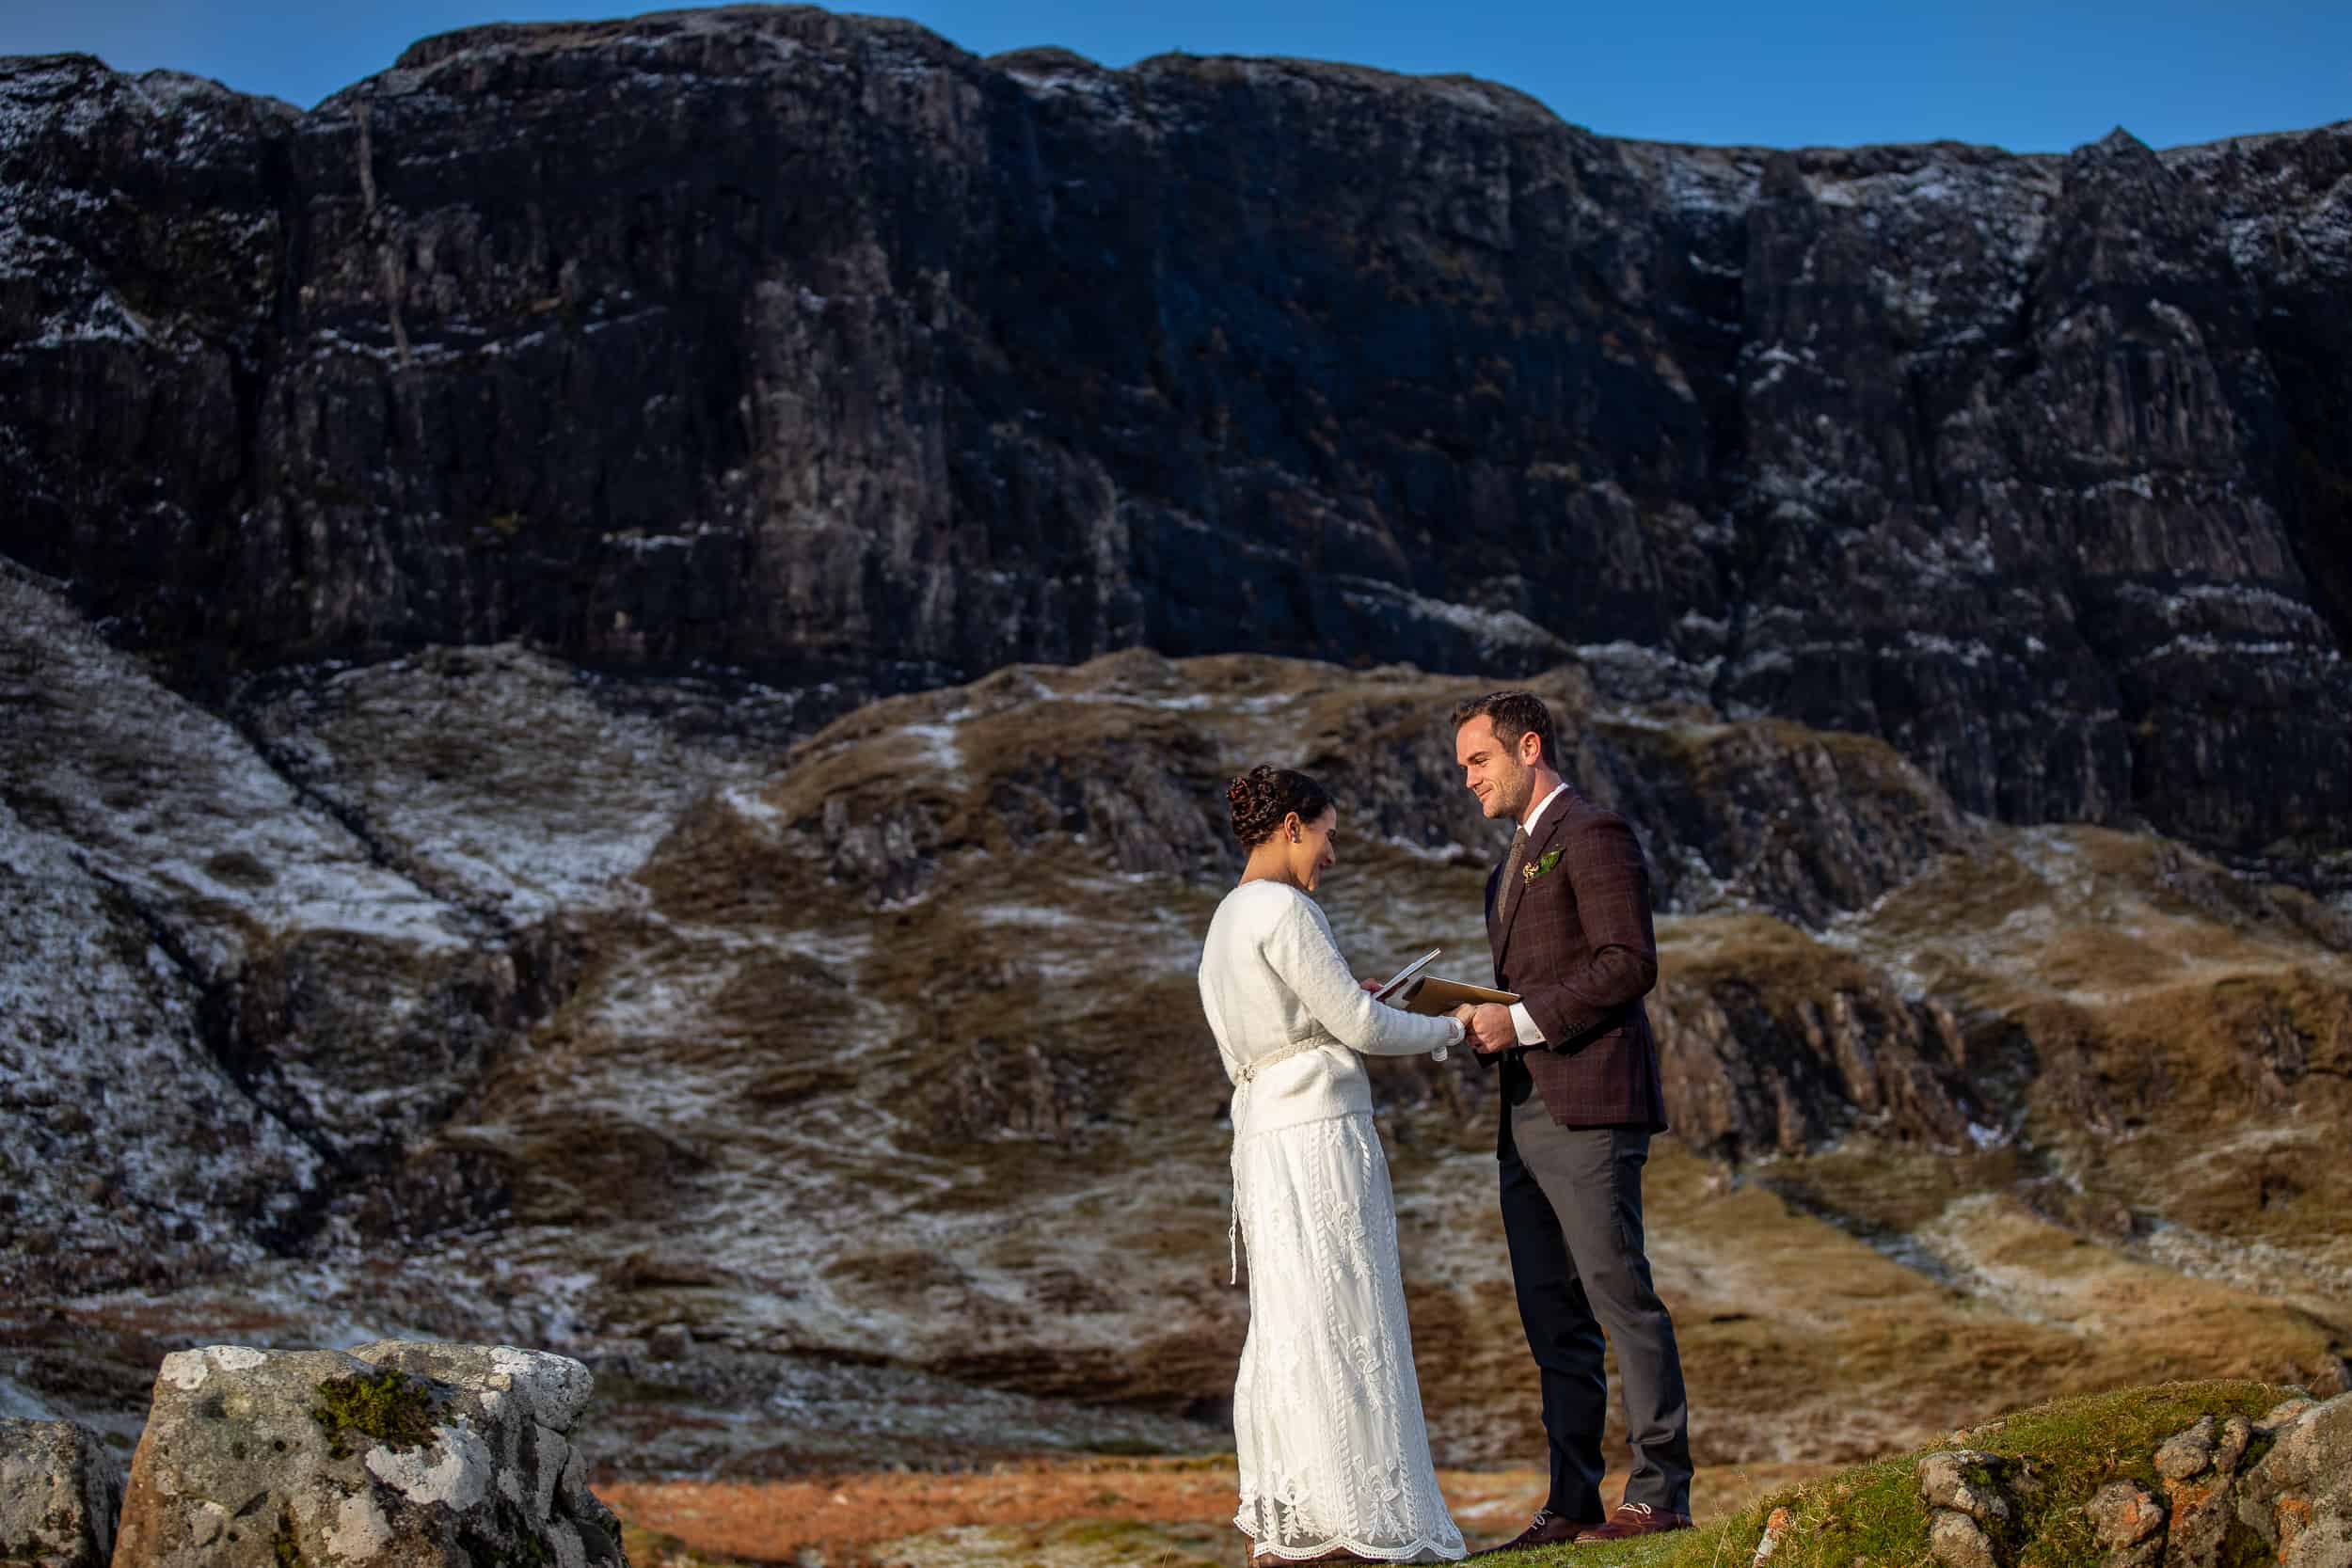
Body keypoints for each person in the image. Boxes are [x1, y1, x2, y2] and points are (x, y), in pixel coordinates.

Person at [1199, 765, 1473, 1565]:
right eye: (1326, 834)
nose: (1331, 853)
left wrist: (1344, 1007)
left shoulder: (1224, 922)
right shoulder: (1287, 908)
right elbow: (1360, 1025)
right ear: (1291, 825)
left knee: (1293, 1317)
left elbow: (1270, 1034)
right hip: (1319, 1134)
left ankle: (1300, 1511)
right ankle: (1362, 1517)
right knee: (1349, 1305)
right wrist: (1451, 1025)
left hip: (1263, 1141)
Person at [1449, 691, 1695, 1547]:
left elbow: (1629, 962)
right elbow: (1526, 989)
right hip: (1523, 1117)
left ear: (1529, 746)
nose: (1469, 780)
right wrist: (1451, 1016)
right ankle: (1573, 1501)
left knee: (1619, 1293)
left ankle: (1661, 1490)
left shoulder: (1593, 835)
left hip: (1590, 1107)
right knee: (1552, 1315)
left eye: (1478, 761)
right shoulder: (1504, 869)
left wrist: (1512, 1021)